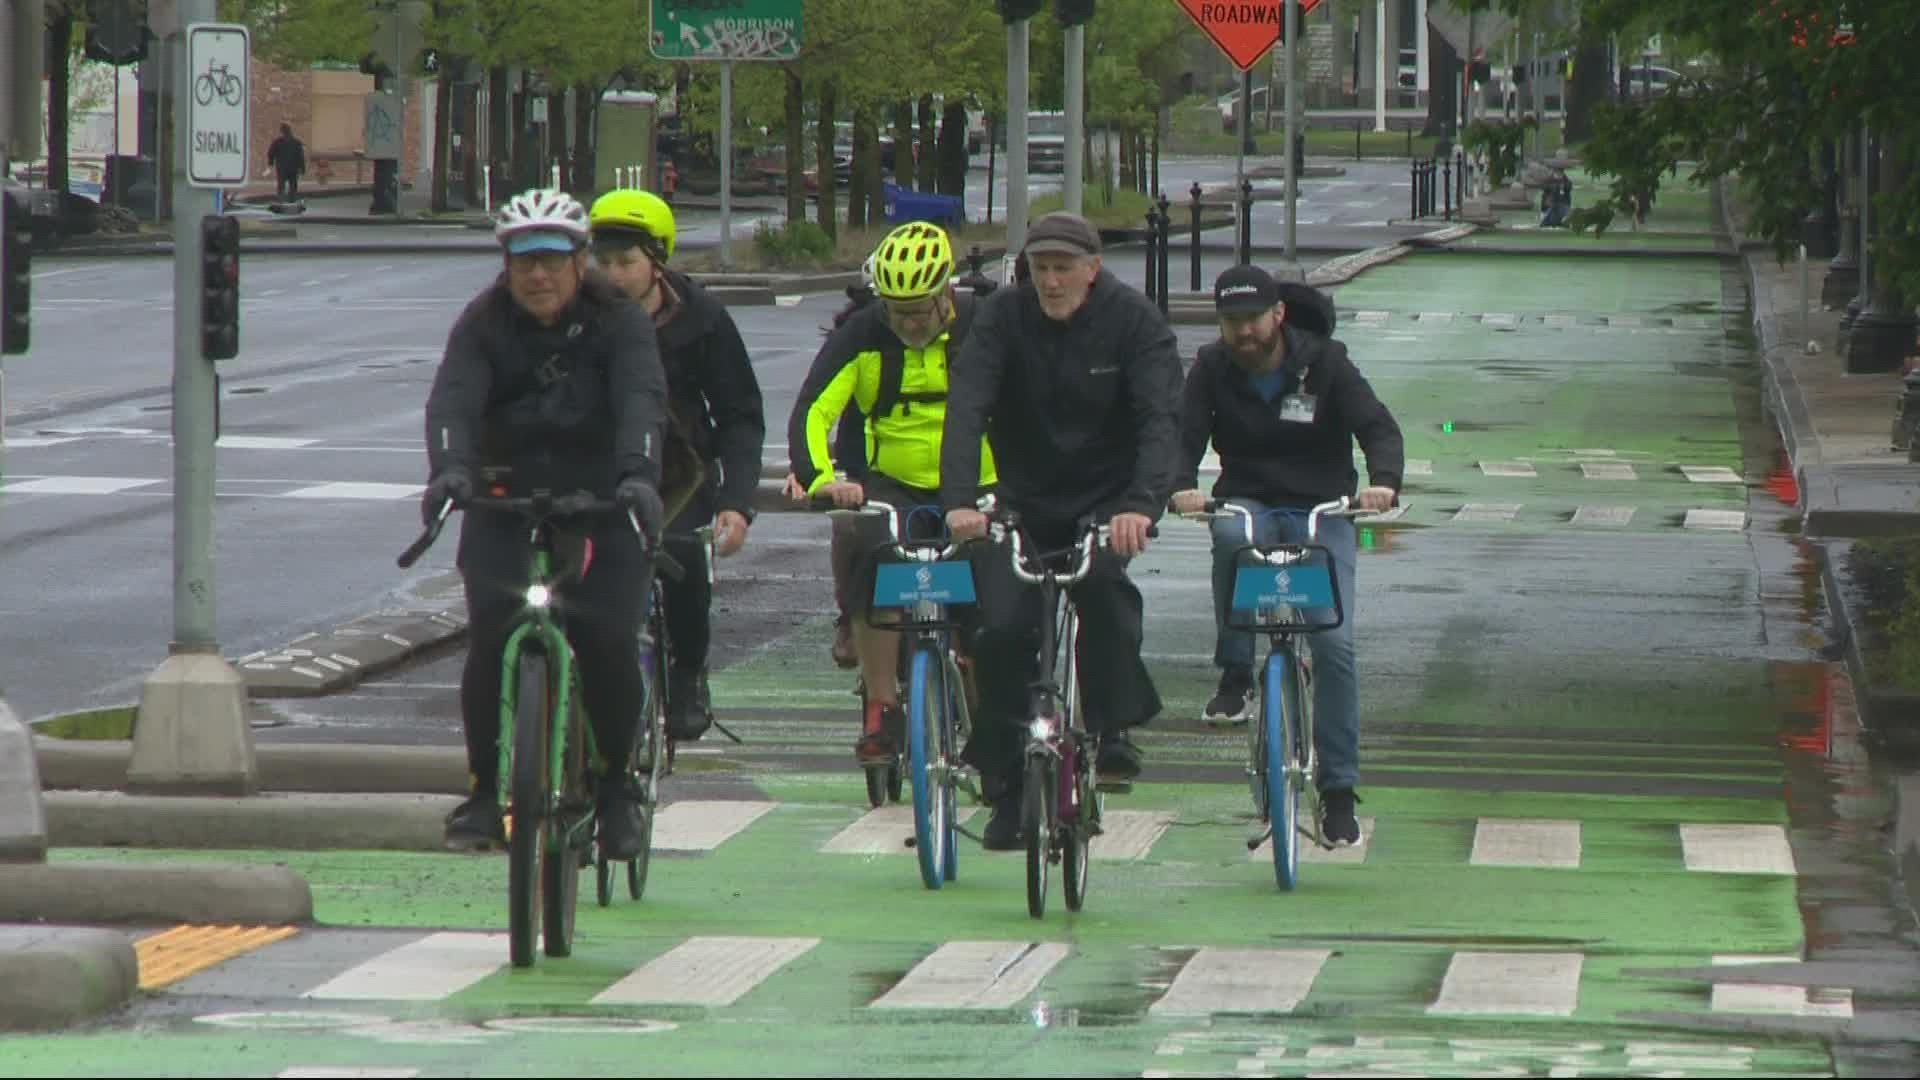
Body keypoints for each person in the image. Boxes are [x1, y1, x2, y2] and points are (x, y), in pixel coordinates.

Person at [422, 188, 669, 859]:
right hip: (506, 497)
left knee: (608, 638)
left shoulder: (618, 321)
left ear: (580, 261)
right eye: (523, 260)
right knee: (491, 637)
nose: (538, 275)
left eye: (552, 260)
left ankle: (618, 786)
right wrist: (449, 472)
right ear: (506, 264)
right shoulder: (483, 322)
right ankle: (480, 794)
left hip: (601, 499)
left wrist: (638, 479)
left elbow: (642, 400)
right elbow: (453, 400)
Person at [940, 211, 1183, 849]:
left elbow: (1160, 419)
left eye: (1062, 269)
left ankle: (1109, 725)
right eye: (1040, 269)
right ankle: (1004, 789)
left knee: (1103, 591)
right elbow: (966, 407)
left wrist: (1142, 505)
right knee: (1001, 630)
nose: (1050, 283)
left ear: (1092, 269)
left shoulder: (1135, 322)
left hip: (1107, 499)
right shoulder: (1000, 318)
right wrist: (961, 501)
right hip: (1020, 497)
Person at [1169, 265, 1403, 847]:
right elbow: (1183, 436)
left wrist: (1384, 482)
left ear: (1278, 316)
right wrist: (1178, 486)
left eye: (1252, 320)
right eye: (1230, 322)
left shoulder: (1326, 363)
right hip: (1249, 499)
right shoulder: (1210, 368)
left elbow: (1377, 427)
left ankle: (1340, 790)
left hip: (1324, 507)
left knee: (1333, 642)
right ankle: (1236, 672)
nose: (1243, 333)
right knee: (1228, 538)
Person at [788, 221, 996, 763]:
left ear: (947, 293)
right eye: (896, 310)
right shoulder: (862, 334)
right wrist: (821, 478)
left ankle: (992, 708)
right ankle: (881, 708)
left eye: (919, 310)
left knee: (996, 591)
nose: (906, 322)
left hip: (980, 484)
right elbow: (814, 411)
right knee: (871, 558)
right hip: (890, 482)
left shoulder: (985, 328)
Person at [588, 188, 765, 742]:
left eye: (627, 263)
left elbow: (740, 415)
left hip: (679, 477)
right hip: (597, 471)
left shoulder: (704, 318)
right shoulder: (577, 317)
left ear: (658, 262)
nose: (613, 275)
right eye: (604, 262)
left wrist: (737, 503)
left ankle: (688, 672)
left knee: (684, 562)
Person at [266, 123, 306, 202]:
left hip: (282, 168)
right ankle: (292, 200)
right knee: (293, 186)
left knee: (281, 185)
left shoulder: (277, 142)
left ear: (282, 132)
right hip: (293, 168)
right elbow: (301, 157)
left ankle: (281, 201)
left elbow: (270, 153)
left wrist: (270, 163)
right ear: (290, 131)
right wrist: (302, 168)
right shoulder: (297, 142)